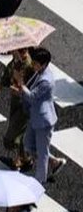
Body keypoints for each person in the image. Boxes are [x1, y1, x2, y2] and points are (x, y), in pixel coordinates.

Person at [12, 47, 67, 183]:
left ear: (44, 64)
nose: (33, 65)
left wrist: (20, 83)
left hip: (43, 120)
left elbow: (32, 96)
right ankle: (54, 161)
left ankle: (39, 181)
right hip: (35, 116)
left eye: (36, 63)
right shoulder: (40, 72)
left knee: (42, 153)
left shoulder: (46, 81)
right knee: (28, 144)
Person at [0, 48, 34, 169]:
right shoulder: (15, 61)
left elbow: (32, 90)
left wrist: (19, 90)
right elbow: (5, 77)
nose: (9, 51)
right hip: (15, 101)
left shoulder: (28, 65)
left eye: (13, 50)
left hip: (25, 104)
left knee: (11, 136)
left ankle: (26, 157)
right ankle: (25, 158)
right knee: (19, 131)